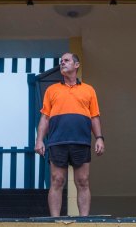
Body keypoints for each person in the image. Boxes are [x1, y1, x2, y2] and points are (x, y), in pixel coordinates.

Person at [34, 52, 105, 217]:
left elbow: (94, 116)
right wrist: (39, 140)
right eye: (61, 61)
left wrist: (99, 138)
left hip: (81, 141)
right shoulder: (52, 90)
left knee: (83, 181)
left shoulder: (89, 90)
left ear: (76, 65)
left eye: (66, 61)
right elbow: (45, 117)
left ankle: (84, 221)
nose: (62, 63)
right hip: (57, 141)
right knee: (56, 180)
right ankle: (55, 221)